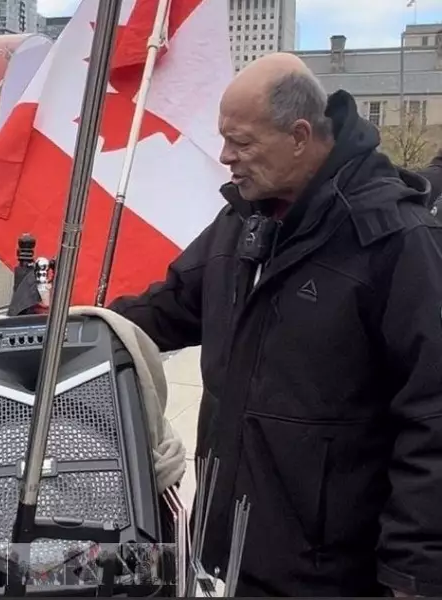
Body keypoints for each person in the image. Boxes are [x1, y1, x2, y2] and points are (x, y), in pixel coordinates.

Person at [109, 53, 442, 597]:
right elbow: (166, 309)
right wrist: (70, 331)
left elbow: (432, 415)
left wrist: (414, 575)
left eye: (240, 142)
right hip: (224, 558)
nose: (225, 157)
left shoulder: (395, 240)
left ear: (299, 135)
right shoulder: (240, 222)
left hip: (333, 577)